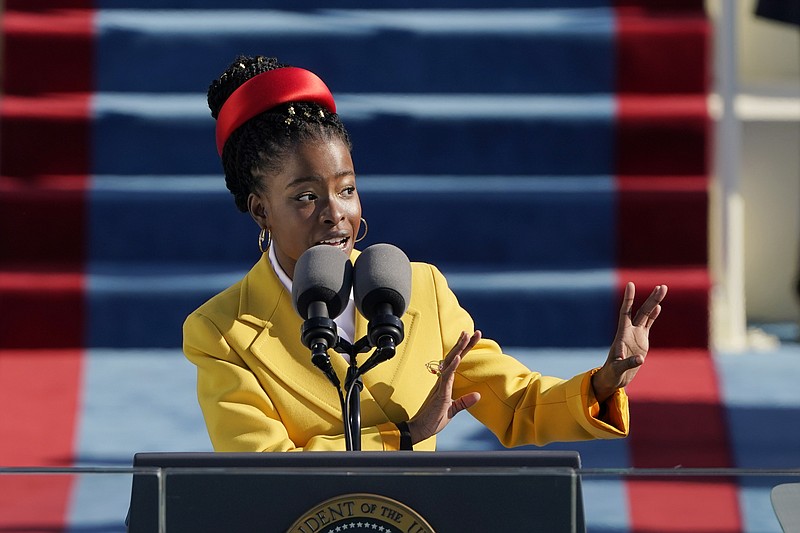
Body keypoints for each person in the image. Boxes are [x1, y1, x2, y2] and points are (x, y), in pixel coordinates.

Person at [183, 55, 668, 452]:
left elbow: (517, 405)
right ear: (260, 210)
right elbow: (262, 475)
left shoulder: (420, 291)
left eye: (346, 189)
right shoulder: (222, 332)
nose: (336, 214)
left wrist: (603, 385)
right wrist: (406, 437)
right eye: (306, 196)